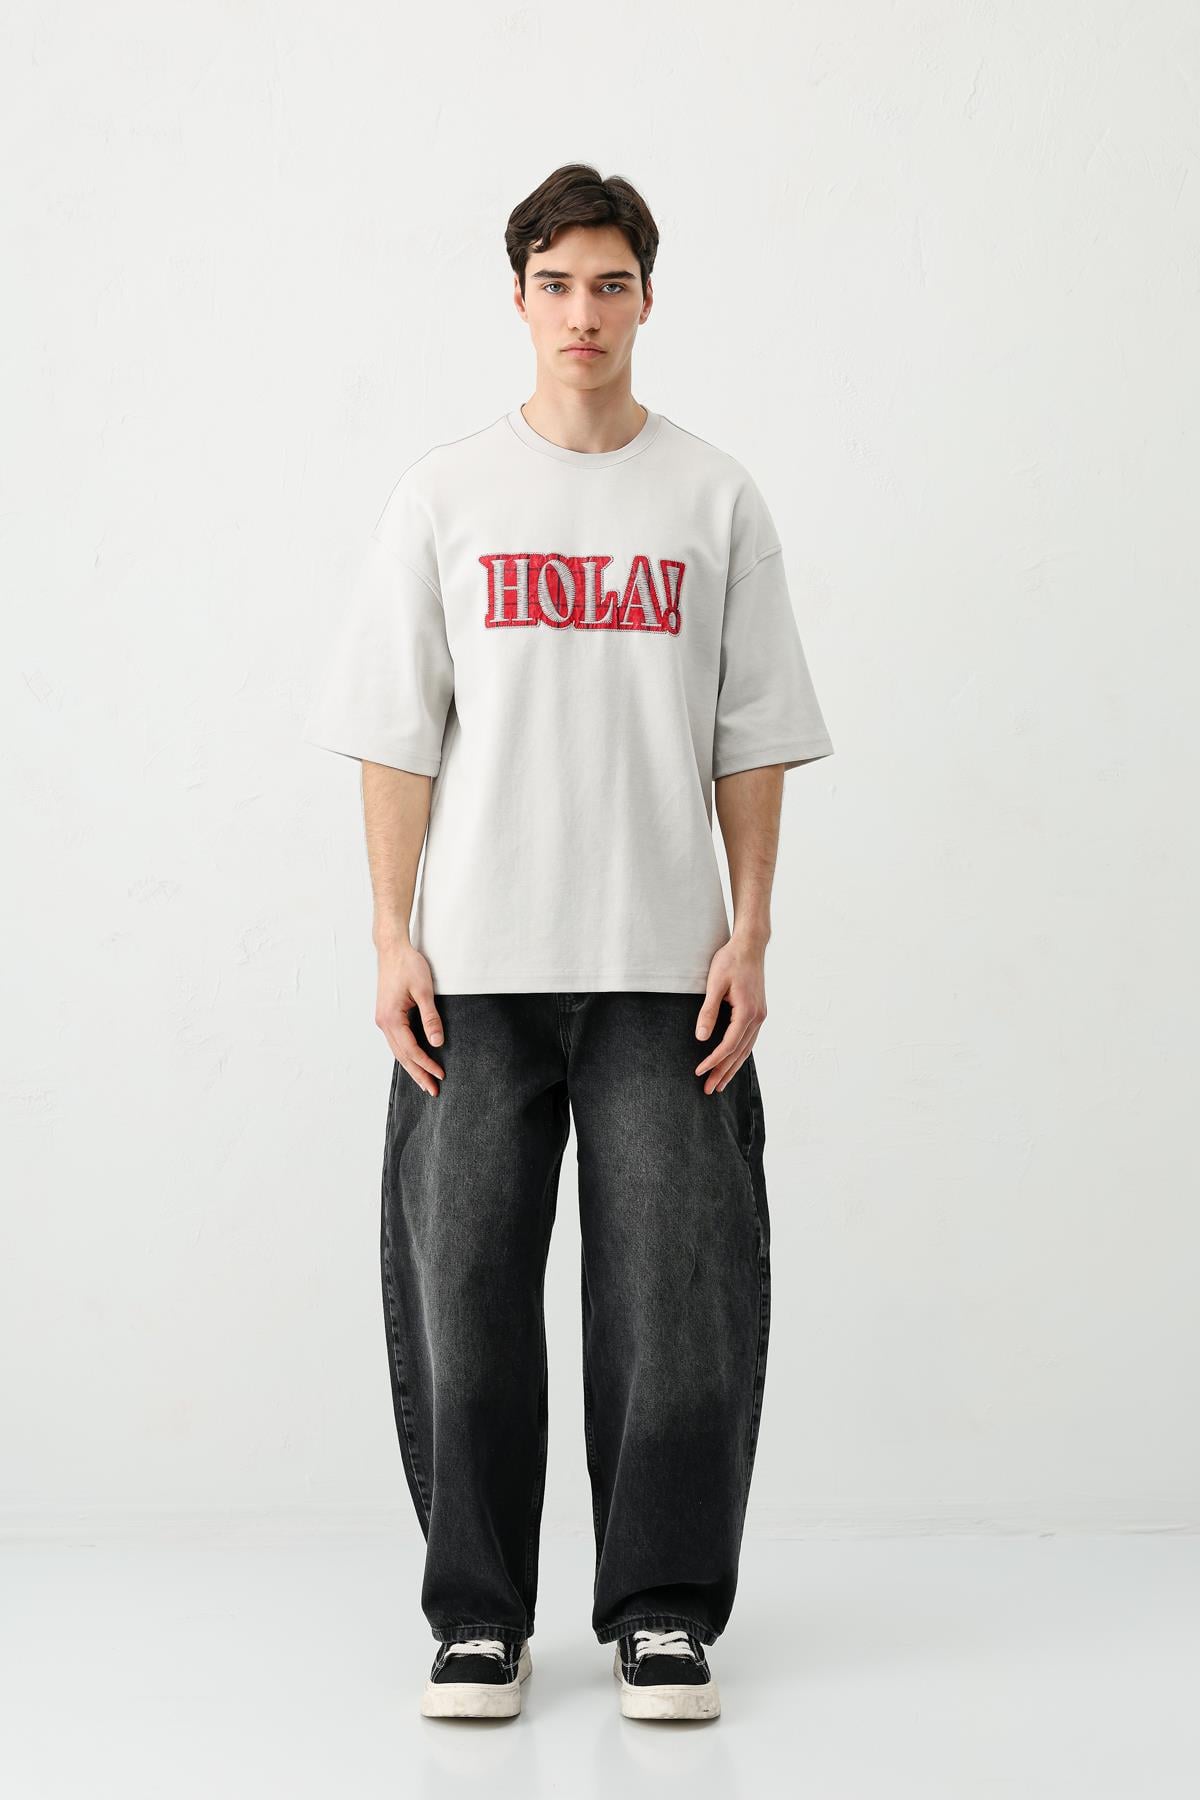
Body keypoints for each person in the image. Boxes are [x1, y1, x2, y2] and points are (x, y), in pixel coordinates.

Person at [302, 163, 835, 1723]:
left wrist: (752, 930)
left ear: (648, 298)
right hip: (473, 970)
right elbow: (396, 734)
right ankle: (480, 1618)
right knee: (465, 1297)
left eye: (610, 283)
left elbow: (753, 735)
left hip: (667, 971)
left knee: (675, 1302)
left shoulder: (712, 497)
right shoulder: (447, 497)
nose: (583, 312)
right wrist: (389, 933)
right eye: (556, 284)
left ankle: (660, 1615)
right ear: (518, 300)